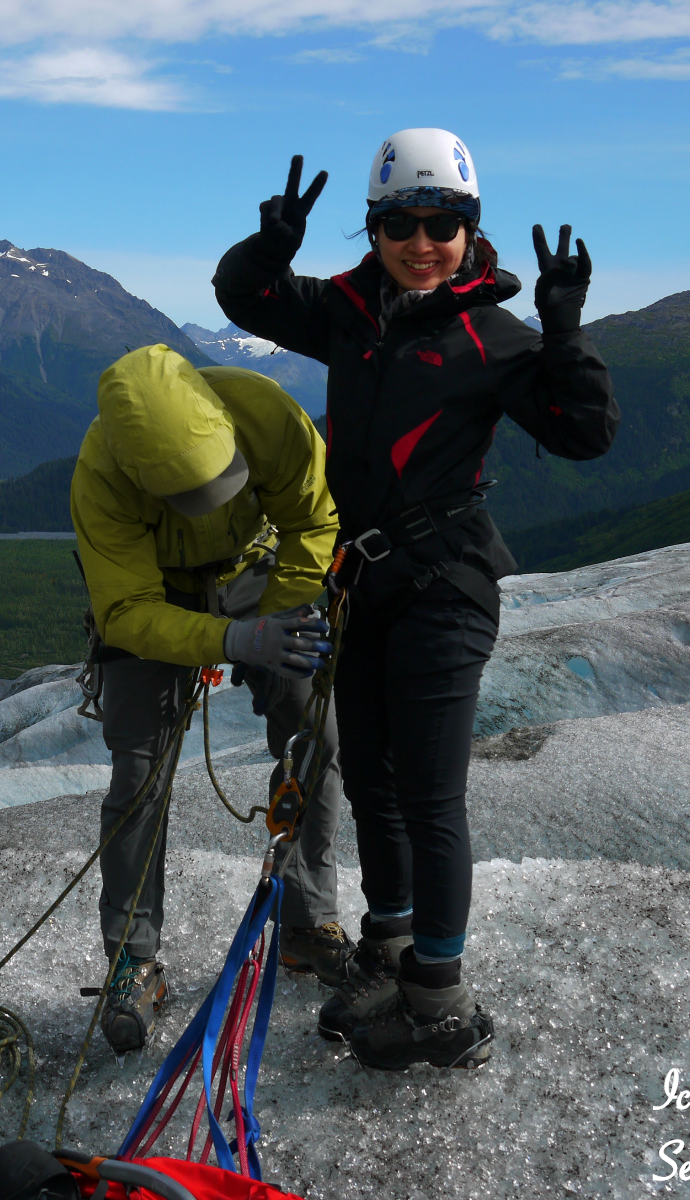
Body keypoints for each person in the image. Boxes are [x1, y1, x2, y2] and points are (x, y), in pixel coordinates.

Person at [213, 128, 620, 1071]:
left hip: (446, 584)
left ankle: (439, 999)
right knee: (372, 781)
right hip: (366, 587)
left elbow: (584, 435)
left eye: (445, 223)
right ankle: (391, 951)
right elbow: (245, 296)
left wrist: (566, 330)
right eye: (404, 221)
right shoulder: (352, 311)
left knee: (431, 797)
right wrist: (272, 243)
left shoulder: (494, 332)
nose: (423, 240)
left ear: (471, 229)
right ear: (376, 226)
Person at [71, 344, 351, 1055]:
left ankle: (305, 920)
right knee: (139, 773)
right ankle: (132, 959)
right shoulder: (102, 476)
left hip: (257, 572)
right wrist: (229, 642)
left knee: (314, 732)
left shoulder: (269, 415)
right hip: (155, 595)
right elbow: (128, 610)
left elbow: (314, 524)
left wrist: (274, 624)